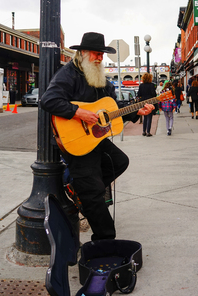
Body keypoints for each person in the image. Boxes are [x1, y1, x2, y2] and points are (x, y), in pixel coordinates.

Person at [40, 32, 154, 241]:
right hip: (75, 141)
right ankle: (105, 240)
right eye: (95, 53)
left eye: (102, 54)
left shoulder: (100, 78)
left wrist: (136, 111)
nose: (100, 58)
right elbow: (48, 100)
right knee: (93, 192)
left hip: (94, 140)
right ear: (83, 52)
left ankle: (79, 189)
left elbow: (113, 108)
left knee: (119, 161)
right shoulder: (69, 74)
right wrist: (78, 112)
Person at [137, 72, 157, 137]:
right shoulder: (151, 85)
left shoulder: (141, 85)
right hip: (150, 102)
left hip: (143, 102)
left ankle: (143, 131)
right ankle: (148, 132)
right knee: (149, 117)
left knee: (145, 116)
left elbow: (139, 94)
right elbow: (154, 94)